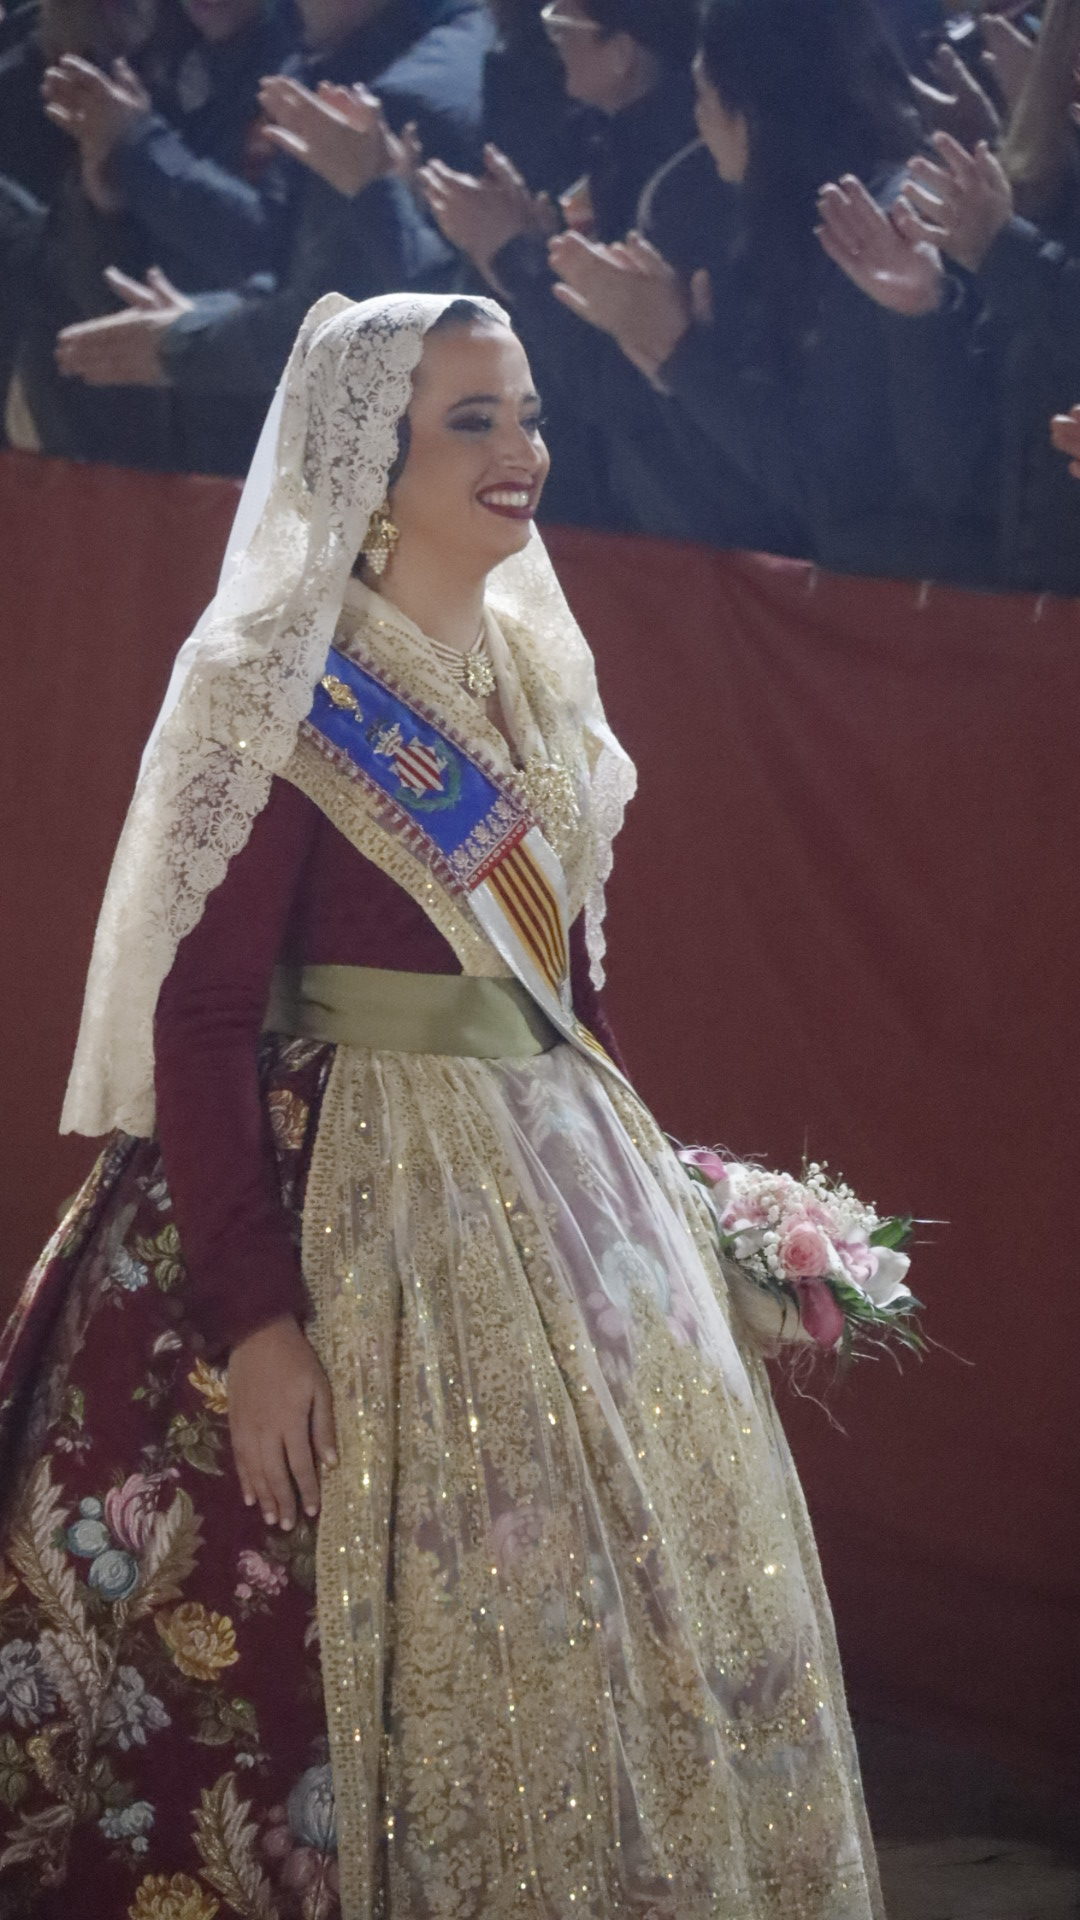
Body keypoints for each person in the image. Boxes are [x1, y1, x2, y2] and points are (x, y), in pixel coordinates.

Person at [0, 290, 885, 1917]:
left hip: (551, 1188)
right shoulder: (282, 683)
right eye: (470, 421)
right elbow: (202, 1017)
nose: (519, 449)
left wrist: (674, 1211)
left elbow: (560, 1000)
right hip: (344, 1198)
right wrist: (260, 1321)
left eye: (527, 414)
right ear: (372, 463)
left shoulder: (538, 676)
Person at [550, 0, 996, 586]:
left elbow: (832, 490)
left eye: (704, 96)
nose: (699, 123)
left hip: (925, 609)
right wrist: (675, 359)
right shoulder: (779, 230)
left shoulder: (880, 237)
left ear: (753, 112)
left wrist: (682, 354)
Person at [51, 0, 491, 473]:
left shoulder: (402, 97)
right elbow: (295, 264)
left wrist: (140, 151)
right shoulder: (320, 57)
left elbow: (358, 313)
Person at [820, 0, 1080, 593]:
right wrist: (922, 314)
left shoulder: (1004, 237)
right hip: (1031, 616)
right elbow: (957, 480)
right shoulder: (1033, 199)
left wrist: (1007, 253)